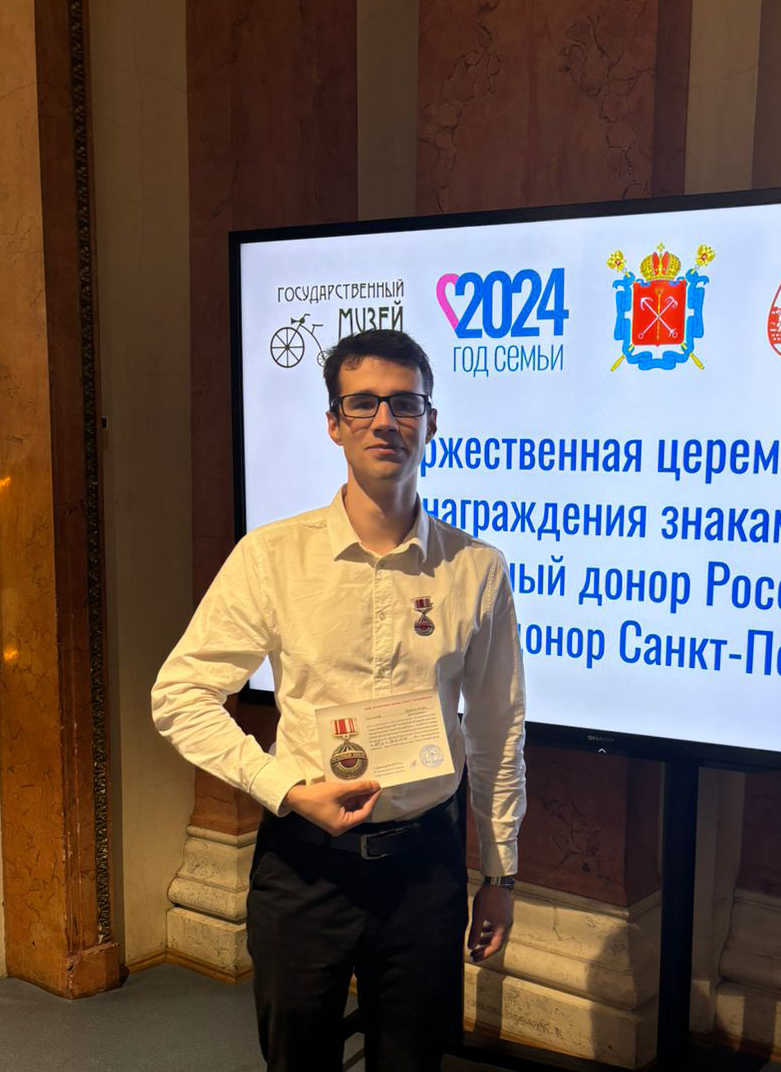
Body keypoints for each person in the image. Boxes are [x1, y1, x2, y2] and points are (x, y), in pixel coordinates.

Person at [152, 329, 526, 1072]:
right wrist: (286, 789)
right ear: (334, 423)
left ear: (430, 421)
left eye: (406, 403)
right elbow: (180, 696)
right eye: (364, 404)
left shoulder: (476, 569)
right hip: (304, 868)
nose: (386, 421)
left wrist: (500, 875)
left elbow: (497, 729)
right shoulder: (272, 557)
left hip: (424, 868)